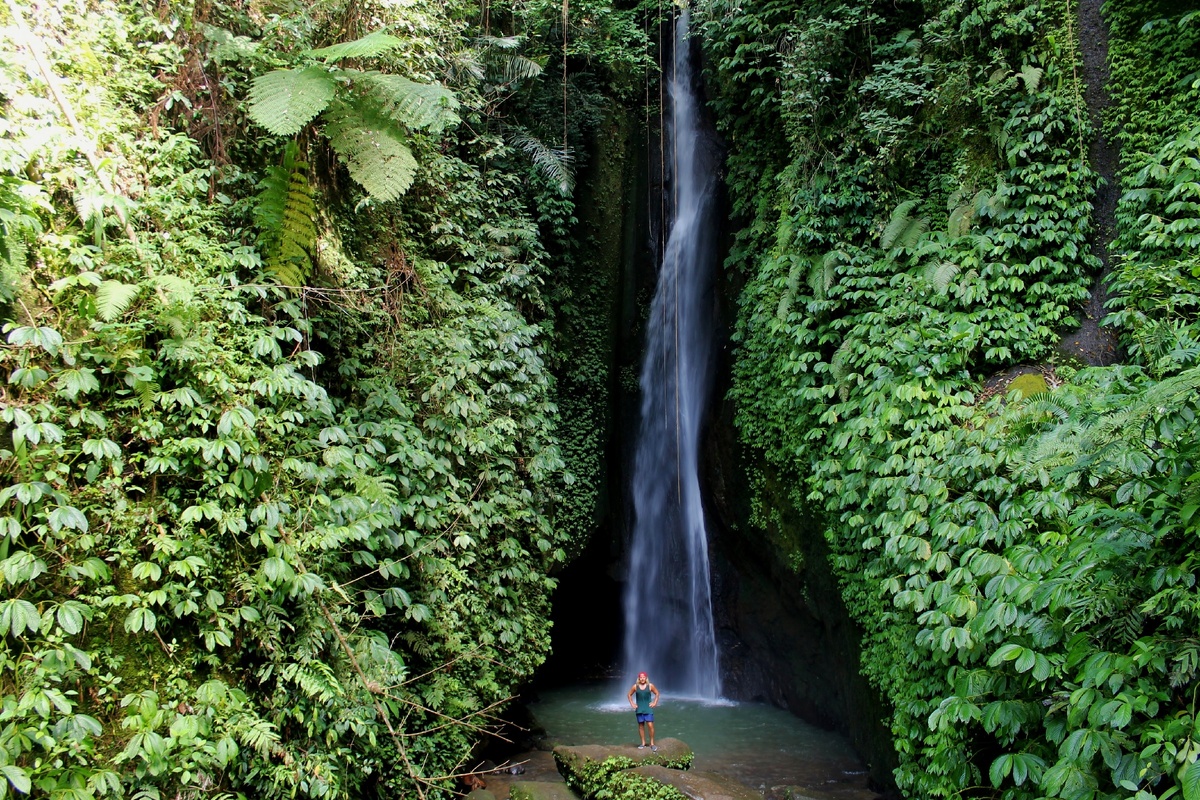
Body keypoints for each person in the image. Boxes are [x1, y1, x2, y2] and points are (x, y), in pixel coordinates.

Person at [626, 672, 659, 750]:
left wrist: (654, 702)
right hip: (639, 708)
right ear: (639, 678)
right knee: (641, 726)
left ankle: (652, 743)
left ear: (646, 678)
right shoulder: (635, 686)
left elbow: (657, 693)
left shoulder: (650, 686)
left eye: (644, 677)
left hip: (648, 708)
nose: (642, 678)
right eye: (641, 677)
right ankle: (643, 743)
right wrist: (632, 704)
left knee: (650, 725)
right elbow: (629, 694)